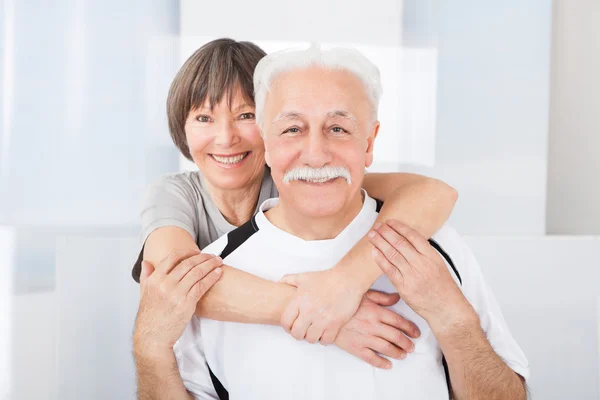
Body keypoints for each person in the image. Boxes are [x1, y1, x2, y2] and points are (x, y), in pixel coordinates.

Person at [150, 44, 529, 399]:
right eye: (293, 129)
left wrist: (450, 317)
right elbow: (174, 280)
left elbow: (430, 192)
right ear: (270, 141)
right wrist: (323, 311)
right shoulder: (204, 264)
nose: (316, 155)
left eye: (338, 129)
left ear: (369, 143)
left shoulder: (432, 246)